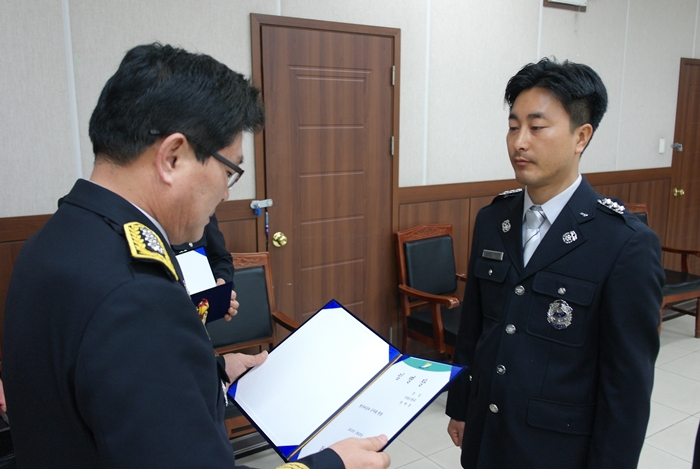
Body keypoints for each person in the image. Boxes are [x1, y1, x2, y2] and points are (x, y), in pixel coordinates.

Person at [2, 43, 390, 469]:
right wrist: (332, 464)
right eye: (229, 171)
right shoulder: (137, 294)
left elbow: (106, 389)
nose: (226, 193)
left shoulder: (55, 240)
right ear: (172, 157)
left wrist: (211, 370)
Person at [445, 57, 664, 469]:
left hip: (556, 450)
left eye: (537, 127)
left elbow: (627, 387)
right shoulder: (493, 219)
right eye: (513, 127)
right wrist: (459, 404)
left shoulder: (624, 243)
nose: (519, 142)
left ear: (581, 136)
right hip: (486, 436)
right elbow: (475, 326)